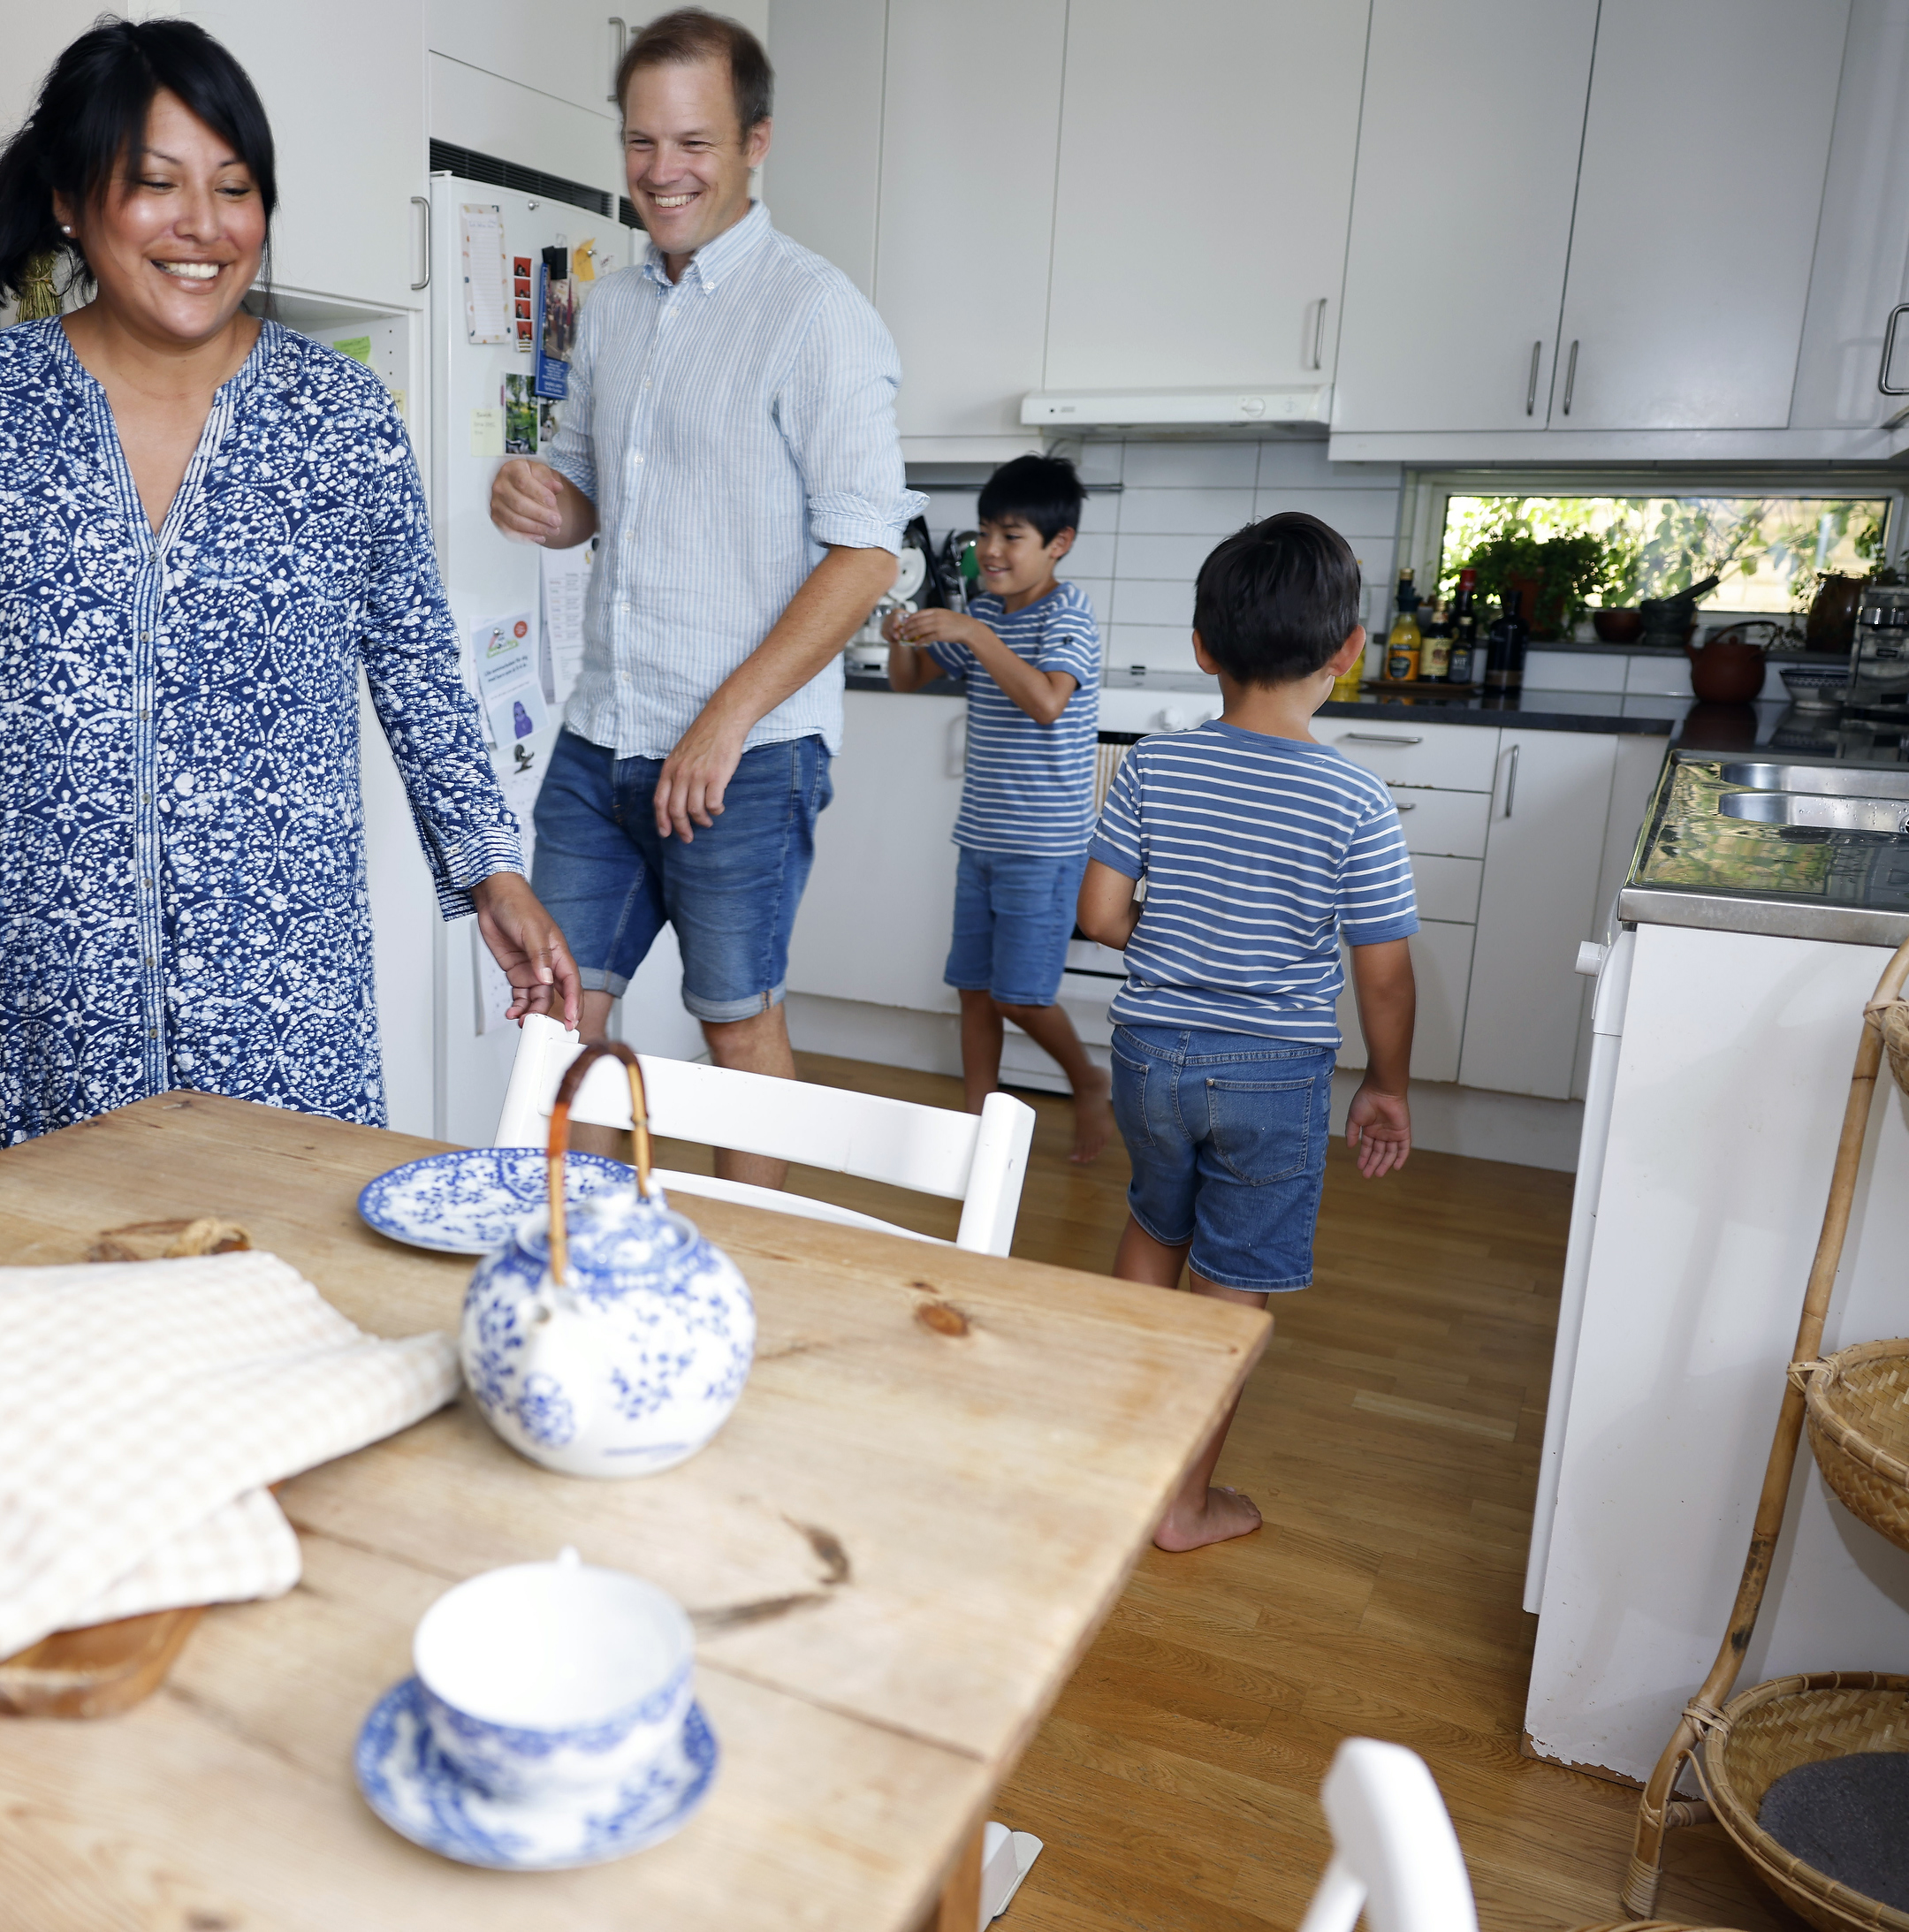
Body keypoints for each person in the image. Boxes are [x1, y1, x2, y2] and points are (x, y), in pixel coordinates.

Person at [0, 19, 576, 1152]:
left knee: (280, 1284)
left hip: (285, 989)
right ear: (69, 198)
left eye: (236, 187)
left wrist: (491, 868)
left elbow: (414, 663)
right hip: (55, 977)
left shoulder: (339, 420)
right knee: (70, 1288)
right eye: (156, 184)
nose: (203, 226)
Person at [489, 7, 921, 1189]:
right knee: (554, 1016)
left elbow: (866, 554)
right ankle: (567, 1266)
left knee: (734, 1026)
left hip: (749, 752)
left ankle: (745, 1278)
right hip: (602, 734)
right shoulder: (615, 309)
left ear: (755, 143)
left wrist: (724, 720)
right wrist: (545, 499)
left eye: (693, 142)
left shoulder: (817, 315)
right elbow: (589, 490)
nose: (661, 171)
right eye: (641, 142)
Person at [1076, 513, 1417, 1550]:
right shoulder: (1355, 798)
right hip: (1270, 1074)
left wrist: (1170, 945)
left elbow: (1097, 914)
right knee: (1232, 1286)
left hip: (1148, 1055)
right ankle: (1180, 1505)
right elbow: (1385, 970)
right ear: (1347, 651)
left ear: (1201, 647)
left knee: (1154, 1222)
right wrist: (1387, 1083)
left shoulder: (1152, 767)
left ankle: (1124, 1466)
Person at [883, 454, 1111, 1160]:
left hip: (1045, 846)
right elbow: (908, 681)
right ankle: (974, 1133)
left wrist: (974, 632)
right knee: (975, 993)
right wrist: (901, 635)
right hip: (980, 836)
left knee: (1020, 997)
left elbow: (1047, 702)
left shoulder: (1067, 613)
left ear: (1058, 544)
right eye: (986, 533)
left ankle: (1089, 1082)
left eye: (1011, 536)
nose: (989, 550)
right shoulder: (982, 610)